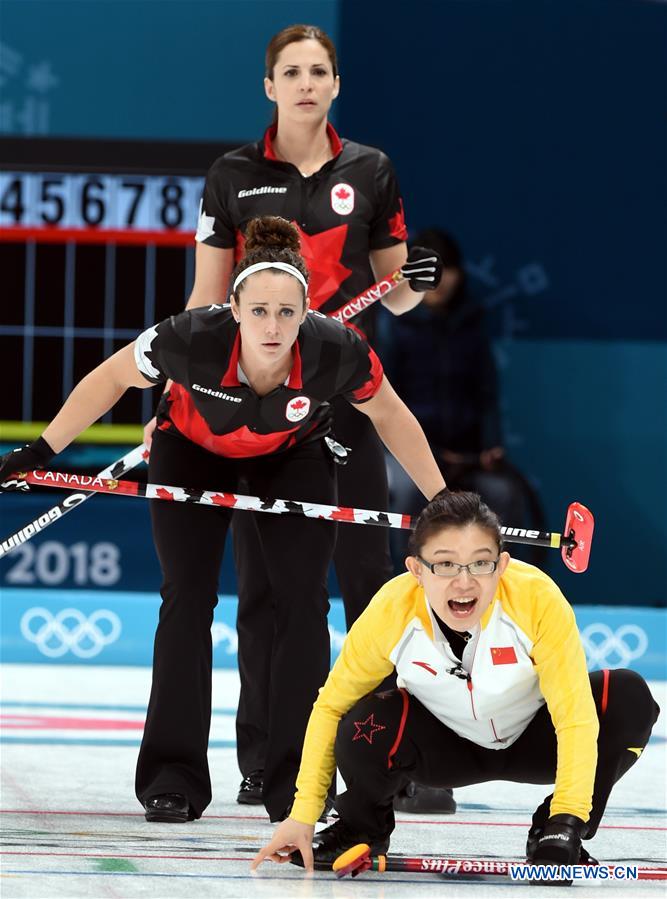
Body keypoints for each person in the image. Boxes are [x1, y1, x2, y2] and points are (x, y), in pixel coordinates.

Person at [0, 216, 447, 826]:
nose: (272, 326)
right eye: (258, 310)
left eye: (286, 313)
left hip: (294, 457)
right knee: (187, 598)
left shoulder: (337, 350)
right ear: (233, 307)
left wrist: (444, 503)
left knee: (302, 603)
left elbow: (392, 417)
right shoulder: (188, 338)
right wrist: (42, 452)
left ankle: (297, 782)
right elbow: (109, 378)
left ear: (307, 310)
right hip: (189, 451)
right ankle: (172, 779)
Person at [142, 23, 449, 810]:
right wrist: (176, 397)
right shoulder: (232, 175)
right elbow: (206, 305)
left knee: (365, 579)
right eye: (290, 71)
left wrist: (411, 280)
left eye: (319, 70)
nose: (306, 82)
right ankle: (264, 764)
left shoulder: (370, 170)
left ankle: (386, 759)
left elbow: (398, 294)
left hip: (342, 388)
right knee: (268, 592)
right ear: (269, 86)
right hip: (256, 398)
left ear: (336, 83)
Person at [252, 491, 659, 882]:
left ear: (501, 566)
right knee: (363, 722)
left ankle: (548, 829)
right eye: (445, 565)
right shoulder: (393, 609)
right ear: (416, 570)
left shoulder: (536, 597)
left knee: (627, 697)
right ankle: (361, 829)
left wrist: (568, 818)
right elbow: (330, 707)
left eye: (480, 564)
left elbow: (573, 717)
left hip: (536, 739)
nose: (464, 582)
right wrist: (302, 815)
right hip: (444, 750)